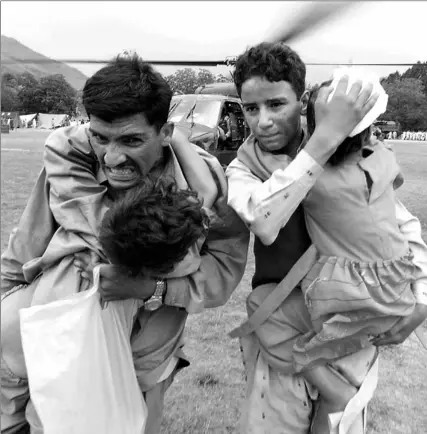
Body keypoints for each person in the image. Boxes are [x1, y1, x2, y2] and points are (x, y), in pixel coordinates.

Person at [1, 53, 250, 434]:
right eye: (100, 138)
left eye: (132, 140)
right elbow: (28, 242)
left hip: (143, 358)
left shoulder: (204, 178)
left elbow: (223, 268)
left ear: (166, 133)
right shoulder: (72, 162)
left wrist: (154, 288)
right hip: (60, 340)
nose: (113, 157)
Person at [224, 42, 427, 434]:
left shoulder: (355, 153)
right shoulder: (243, 167)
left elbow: (401, 223)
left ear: (301, 102)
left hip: (351, 325)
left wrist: (422, 296)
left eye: (275, 104)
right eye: (251, 109)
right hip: (286, 330)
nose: (262, 121)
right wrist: (322, 143)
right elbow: (263, 220)